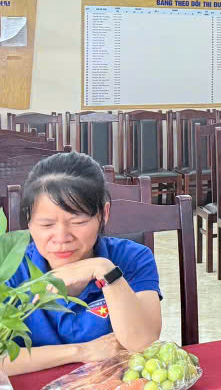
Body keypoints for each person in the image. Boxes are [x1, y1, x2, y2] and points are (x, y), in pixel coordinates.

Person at [1, 152, 162, 376]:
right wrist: (81, 351)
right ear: (28, 220)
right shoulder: (9, 268)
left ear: (103, 214)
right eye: (46, 225)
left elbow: (142, 343)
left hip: (112, 389)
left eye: (78, 222)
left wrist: (105, 271)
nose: (61, 237)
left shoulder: (133, 257)